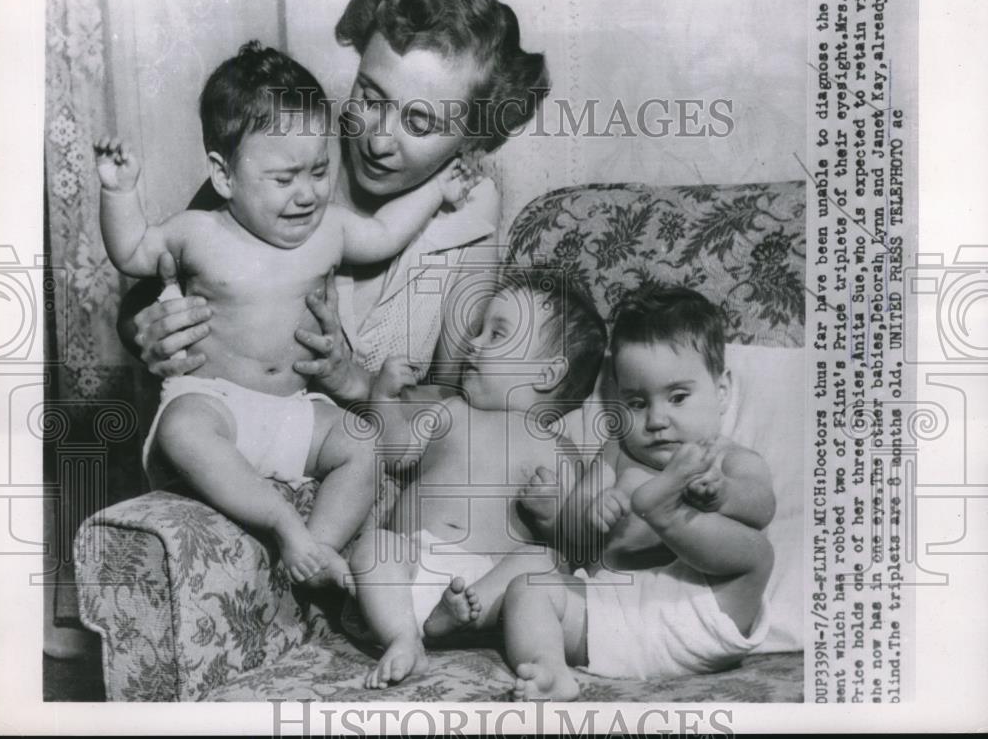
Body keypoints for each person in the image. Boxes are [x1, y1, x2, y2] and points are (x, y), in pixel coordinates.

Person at [95, 41, 465, 586]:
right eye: (283, 178)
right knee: (183, 429)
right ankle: (283, 523)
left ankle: (317, 550)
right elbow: (130, 252)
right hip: (215, 402)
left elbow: (386, 234)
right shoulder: (199, 231)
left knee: (362, 444)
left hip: (296, 409)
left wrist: (437, 190)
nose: (307, 194)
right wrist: (119, 193)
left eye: (318, 170)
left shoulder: (330, 229)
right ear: (224, 176)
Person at [119, 0, 550, 404]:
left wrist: (357, 384)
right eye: (369, 96)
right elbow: (144, 297)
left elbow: (452, 396)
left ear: (470, 137)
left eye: (420, 123)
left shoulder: (470, 207)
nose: (378, 141)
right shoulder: (292, 149)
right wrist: (150, 333)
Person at [500, 287, 777, 701]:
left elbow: (762, 506)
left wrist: (725, 495)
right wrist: (594, 510)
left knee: (758, 553)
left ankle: (663, 512)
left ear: (721, 393)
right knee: (527, 589)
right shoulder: (616, 454)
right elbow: (573, 537)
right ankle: (551, 669)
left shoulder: (728, 458)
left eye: (678, 397)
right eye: (636, 402)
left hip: (704, 610)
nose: (656, 420)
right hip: (612, 622)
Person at [347, 270, 608, 689]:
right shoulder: (451, 412)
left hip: (482, 590)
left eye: (497, 334)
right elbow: (395, 455)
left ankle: (445, 623)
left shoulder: (556, 447)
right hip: (408, 568)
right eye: (479, 329)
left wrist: (553, 513)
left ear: (546, 373)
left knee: (540, 561)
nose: (474, 341)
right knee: (374, 545)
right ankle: (403, 636)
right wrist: (383, 399)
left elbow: (574, 546)